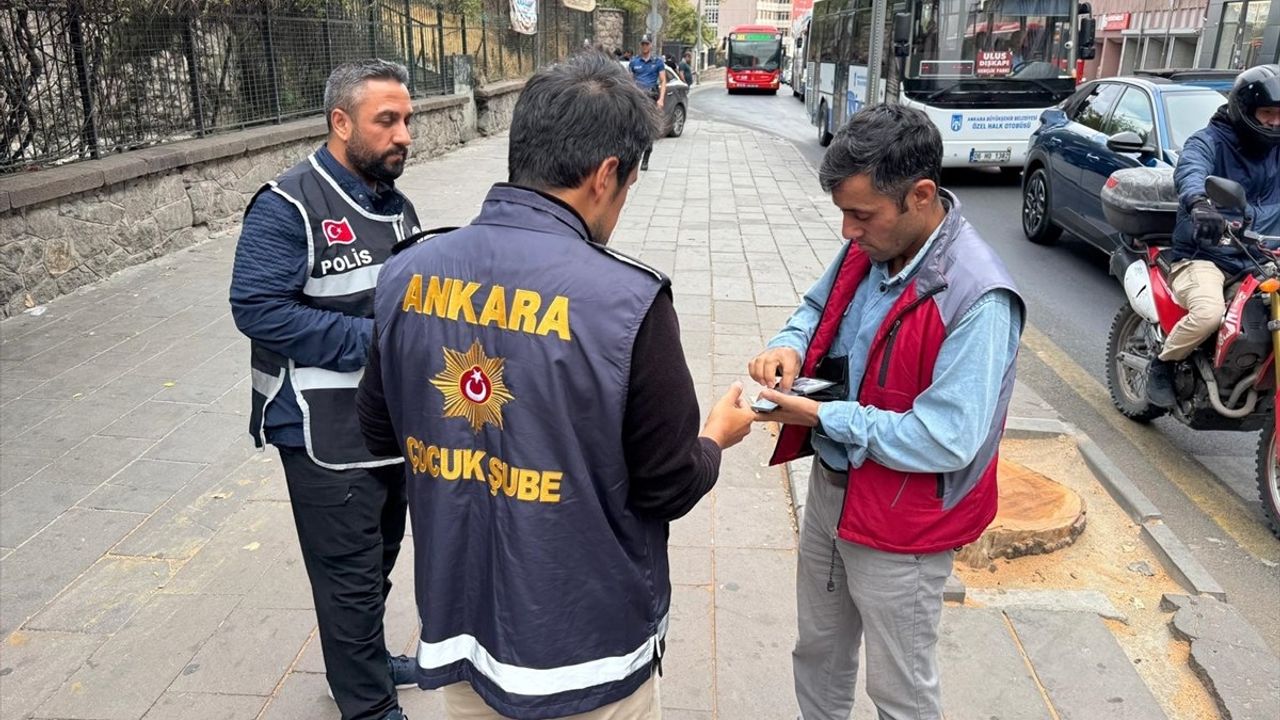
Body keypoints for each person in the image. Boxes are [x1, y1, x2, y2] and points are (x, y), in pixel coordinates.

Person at [356, 52, 755, 719]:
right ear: (606, 175)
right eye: (629, 185)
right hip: (587, 653)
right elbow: (668, 484)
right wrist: (716, 436)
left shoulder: (407, 273)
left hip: (463, 634)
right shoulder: (629, 304)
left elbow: (378, 429)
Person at [748, 105, 1024, 720]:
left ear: (921, 195)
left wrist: (822, 418)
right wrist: (787, 347)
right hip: (833, 491)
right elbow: (816, 307)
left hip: (905, 526)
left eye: (861, 214)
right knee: (818, 650)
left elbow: (948, 439)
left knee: (899, 689)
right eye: (844, 212)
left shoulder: (977, 297)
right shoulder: (871, 244)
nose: (847, 231)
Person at [228, 59, 420, 720]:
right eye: (386, 121)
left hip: (385, 425)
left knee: (378, 559)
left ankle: (363, 661)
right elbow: (257, 309)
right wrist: (375, 345)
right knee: (348, 576)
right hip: (318, 430)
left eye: (407, 120)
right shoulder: (286, 206)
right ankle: (367, 705)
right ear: (341, 123)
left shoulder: (394, 205)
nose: (404, 136)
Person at [1147, 63, 1280, 408]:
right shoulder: (1209, 141)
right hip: (1205, 254)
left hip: (1260, 255)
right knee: (1208, 314)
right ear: (1245, 110)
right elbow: (1191, 169)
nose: (1275, 122)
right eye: (1268, 112)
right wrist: (1200, 204)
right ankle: (1163, 362)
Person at [628, 34, 666, 171]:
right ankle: (634, 157)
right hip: (638, 98)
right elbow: (629, 81)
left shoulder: (657, 62)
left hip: (651, 97)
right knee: (635, 129)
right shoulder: (634, 62)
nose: (644, 46)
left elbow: (663, 81)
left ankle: (646, 159)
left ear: (650, 45)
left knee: (649, 129)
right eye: (642, 43)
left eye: (646, 43)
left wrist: (661, 99)